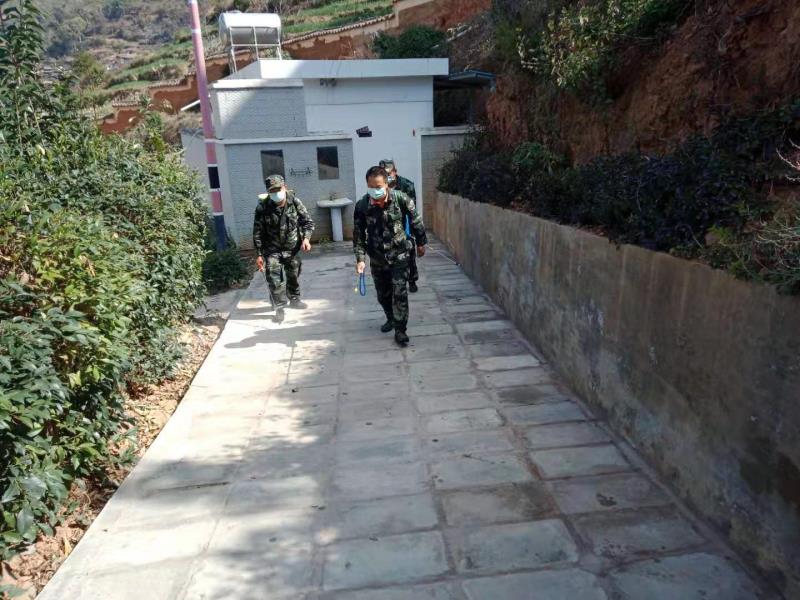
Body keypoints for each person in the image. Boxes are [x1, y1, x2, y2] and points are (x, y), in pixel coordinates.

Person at [353, 165, 427, 346]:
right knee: (383, 295)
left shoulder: (401, 199)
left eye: (378, 186)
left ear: (386, 184)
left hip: (399, 255)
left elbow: (416, 220)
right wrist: (360, 259)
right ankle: (391, 318)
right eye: (371, 186)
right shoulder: (362, 206)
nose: (375, 190)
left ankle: (400, 330)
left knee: (399, 293)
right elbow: (359, 235)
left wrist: (420, 243)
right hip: (377, 258)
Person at [252, 174, 314, 317]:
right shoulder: (262, 207)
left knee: (293, 274)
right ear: (268, 192)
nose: (276, 193)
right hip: (272, 249)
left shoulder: (295, 202)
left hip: (292, 248)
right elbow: (257, 232)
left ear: (284, 187)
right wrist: (259, 254)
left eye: (278, 189)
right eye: (272, 191)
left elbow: (307, 222)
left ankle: (294, 299)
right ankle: (279, 307)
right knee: (274, 278)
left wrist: (306, 239)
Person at [379, 159, 419, 293]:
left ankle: (412, 280)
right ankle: (393, 281)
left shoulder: (407, 186)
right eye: (383, 174)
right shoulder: (380, 187)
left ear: (395, 171)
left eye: (388, 173)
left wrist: (413, 233)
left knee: (409, 251)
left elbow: (412, 211)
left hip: (405, 223)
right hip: (388, 226)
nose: (386, 176)